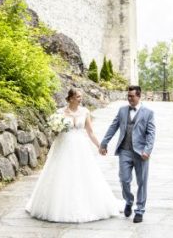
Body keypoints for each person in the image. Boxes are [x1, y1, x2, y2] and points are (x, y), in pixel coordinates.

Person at [25, 87, 120, 222]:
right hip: (63, 145)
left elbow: (90, 132)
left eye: (81, 97)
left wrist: (100, 146)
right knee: (61, 173)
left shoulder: (85, 112)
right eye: (78, 97)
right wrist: (56, 127)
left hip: (80, 147)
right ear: (70, 98)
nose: (80, 99)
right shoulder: (60, 112)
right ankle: (56, 205)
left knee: (83, 173)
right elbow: (54, 130)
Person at [99, 85, 155, 224]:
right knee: (124, 180)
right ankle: (129, 201)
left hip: (141, 153)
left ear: (139, 96)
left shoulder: (148, 112)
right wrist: (104, 143)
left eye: (132, 96)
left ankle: (140, 210)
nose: (129, 98)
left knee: (142, 182)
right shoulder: (122, 110)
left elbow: (151, 134)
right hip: (124, 151)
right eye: (128, 96)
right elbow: (113, 126)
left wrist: (147, 150)